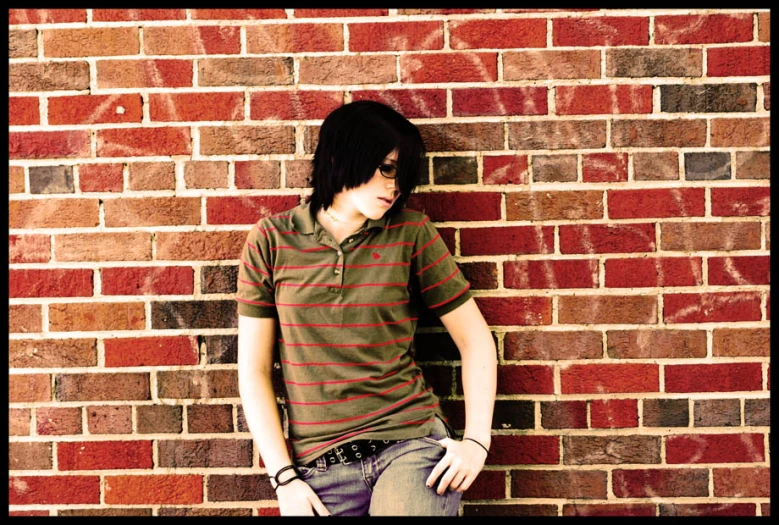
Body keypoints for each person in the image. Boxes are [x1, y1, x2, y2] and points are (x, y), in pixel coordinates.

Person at [236, 100, 497, 516]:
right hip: (319, 469)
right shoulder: (272, 240)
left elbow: (475, 339)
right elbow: (253, 370)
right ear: (343, 155)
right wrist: (283, 477)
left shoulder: (411, 233)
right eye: (387, 168)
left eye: (402, 174)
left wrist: (476, 442)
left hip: (411, 449)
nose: (395, 187)